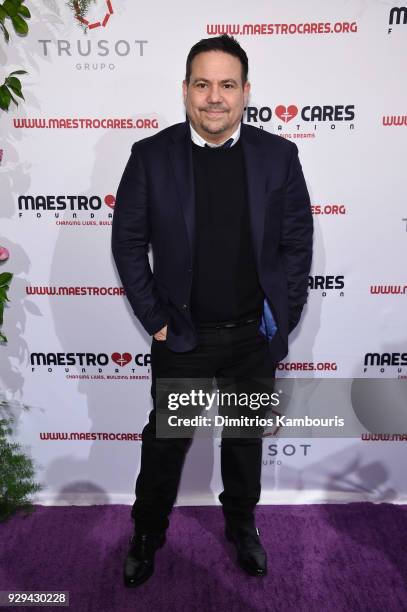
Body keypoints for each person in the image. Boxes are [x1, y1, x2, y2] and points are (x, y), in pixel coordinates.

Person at [111, 34, 313, 587]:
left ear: (246, 91)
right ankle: (147, 531)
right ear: (185, 91)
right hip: (183, 337)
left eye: (227, 85)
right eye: (203, 84)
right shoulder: (151, 156)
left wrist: (284, 316)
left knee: (246, 443)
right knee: (165, 447)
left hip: (253, 336)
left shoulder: (279, 156)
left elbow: (297, 244)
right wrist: (155, 317)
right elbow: (128, 242)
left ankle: (242, 527)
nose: (214, 97)